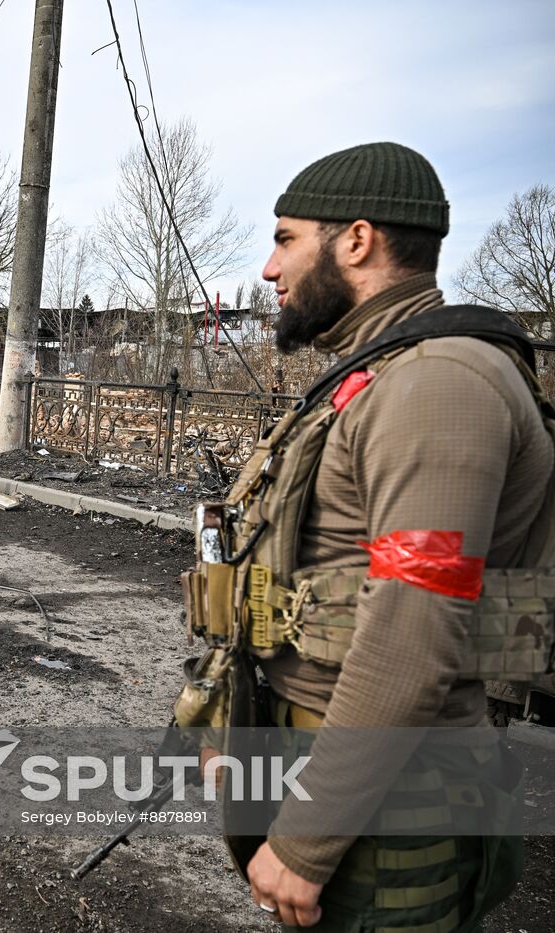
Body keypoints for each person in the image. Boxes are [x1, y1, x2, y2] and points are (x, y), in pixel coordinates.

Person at [212, 142, 552, 930]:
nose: (269, 268)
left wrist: (305, 841)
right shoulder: (384, 372)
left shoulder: (439, 383)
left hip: (393, 801)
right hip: (343, 770)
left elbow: (412, 631)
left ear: (357, 240)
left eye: (286, 238)